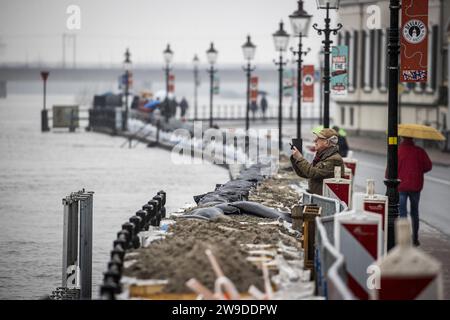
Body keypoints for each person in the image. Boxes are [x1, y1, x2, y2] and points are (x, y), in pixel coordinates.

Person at [398, 137, 432, 246]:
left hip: (401, 186)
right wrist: (418, 170)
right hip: (415, 186)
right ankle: (415, 238)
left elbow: (391, 168)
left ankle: (403, 239)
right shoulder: (419, 151)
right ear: (413, 139)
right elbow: (428, 166)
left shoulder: (398, 150)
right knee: (415, 212)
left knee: (402, 213)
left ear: (403, 138)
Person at [290, 128, 345, 195]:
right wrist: (296, 158)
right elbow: (304, 173)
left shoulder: (334, 159)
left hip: (325, 202)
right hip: (320, 199)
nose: (315, 140)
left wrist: (299, 158)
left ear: (327, 142)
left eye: (319, 138)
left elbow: (312, 173)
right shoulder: (322, 156)